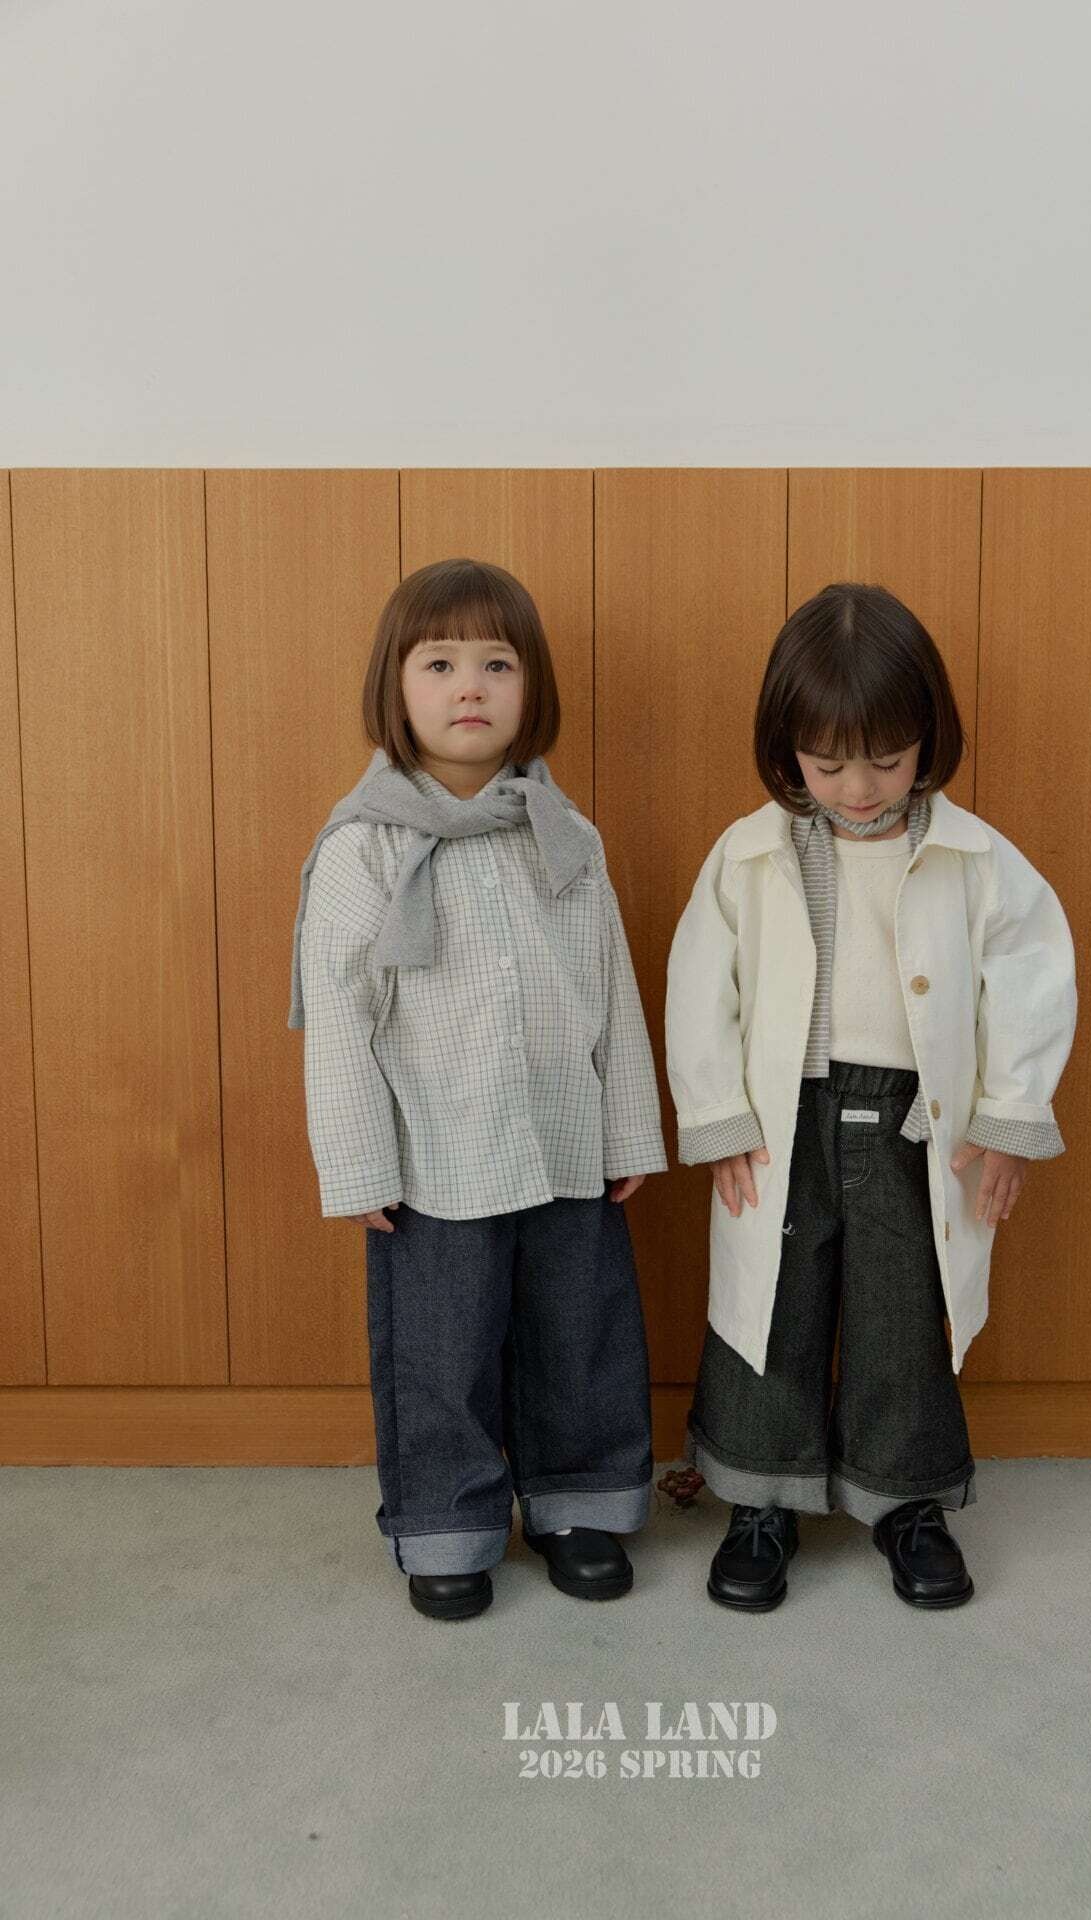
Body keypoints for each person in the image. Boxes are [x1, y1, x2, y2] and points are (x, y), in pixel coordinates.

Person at [665, 582, 1077, 1613]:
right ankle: (762, 1496)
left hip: (914, 1123)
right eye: (827, 763)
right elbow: (698, 984)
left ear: (928, 737)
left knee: (905, 1309)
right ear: (786, 749)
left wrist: (1008, 1120)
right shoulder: (747, 855)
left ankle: (905, 1501)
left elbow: (1032, 980)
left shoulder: (976, 859)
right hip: (784, 1119)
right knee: (773, 1304)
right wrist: (717, 1117)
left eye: (886, 761)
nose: (858, 788)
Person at [287, 558, 667, 1621]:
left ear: (530, 687)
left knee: (580, 1331)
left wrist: (629, 1129)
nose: (470, 687)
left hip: (563, 1137)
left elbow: (610, 986)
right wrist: (358, 1163)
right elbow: (340, 1020)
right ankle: (446, 1523)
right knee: (440, 1348)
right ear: (395, 687)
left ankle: (579, 1504)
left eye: (497, 664)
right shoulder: (364, 846)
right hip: (433, 1157)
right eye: (440, 664)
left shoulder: (564, 834)